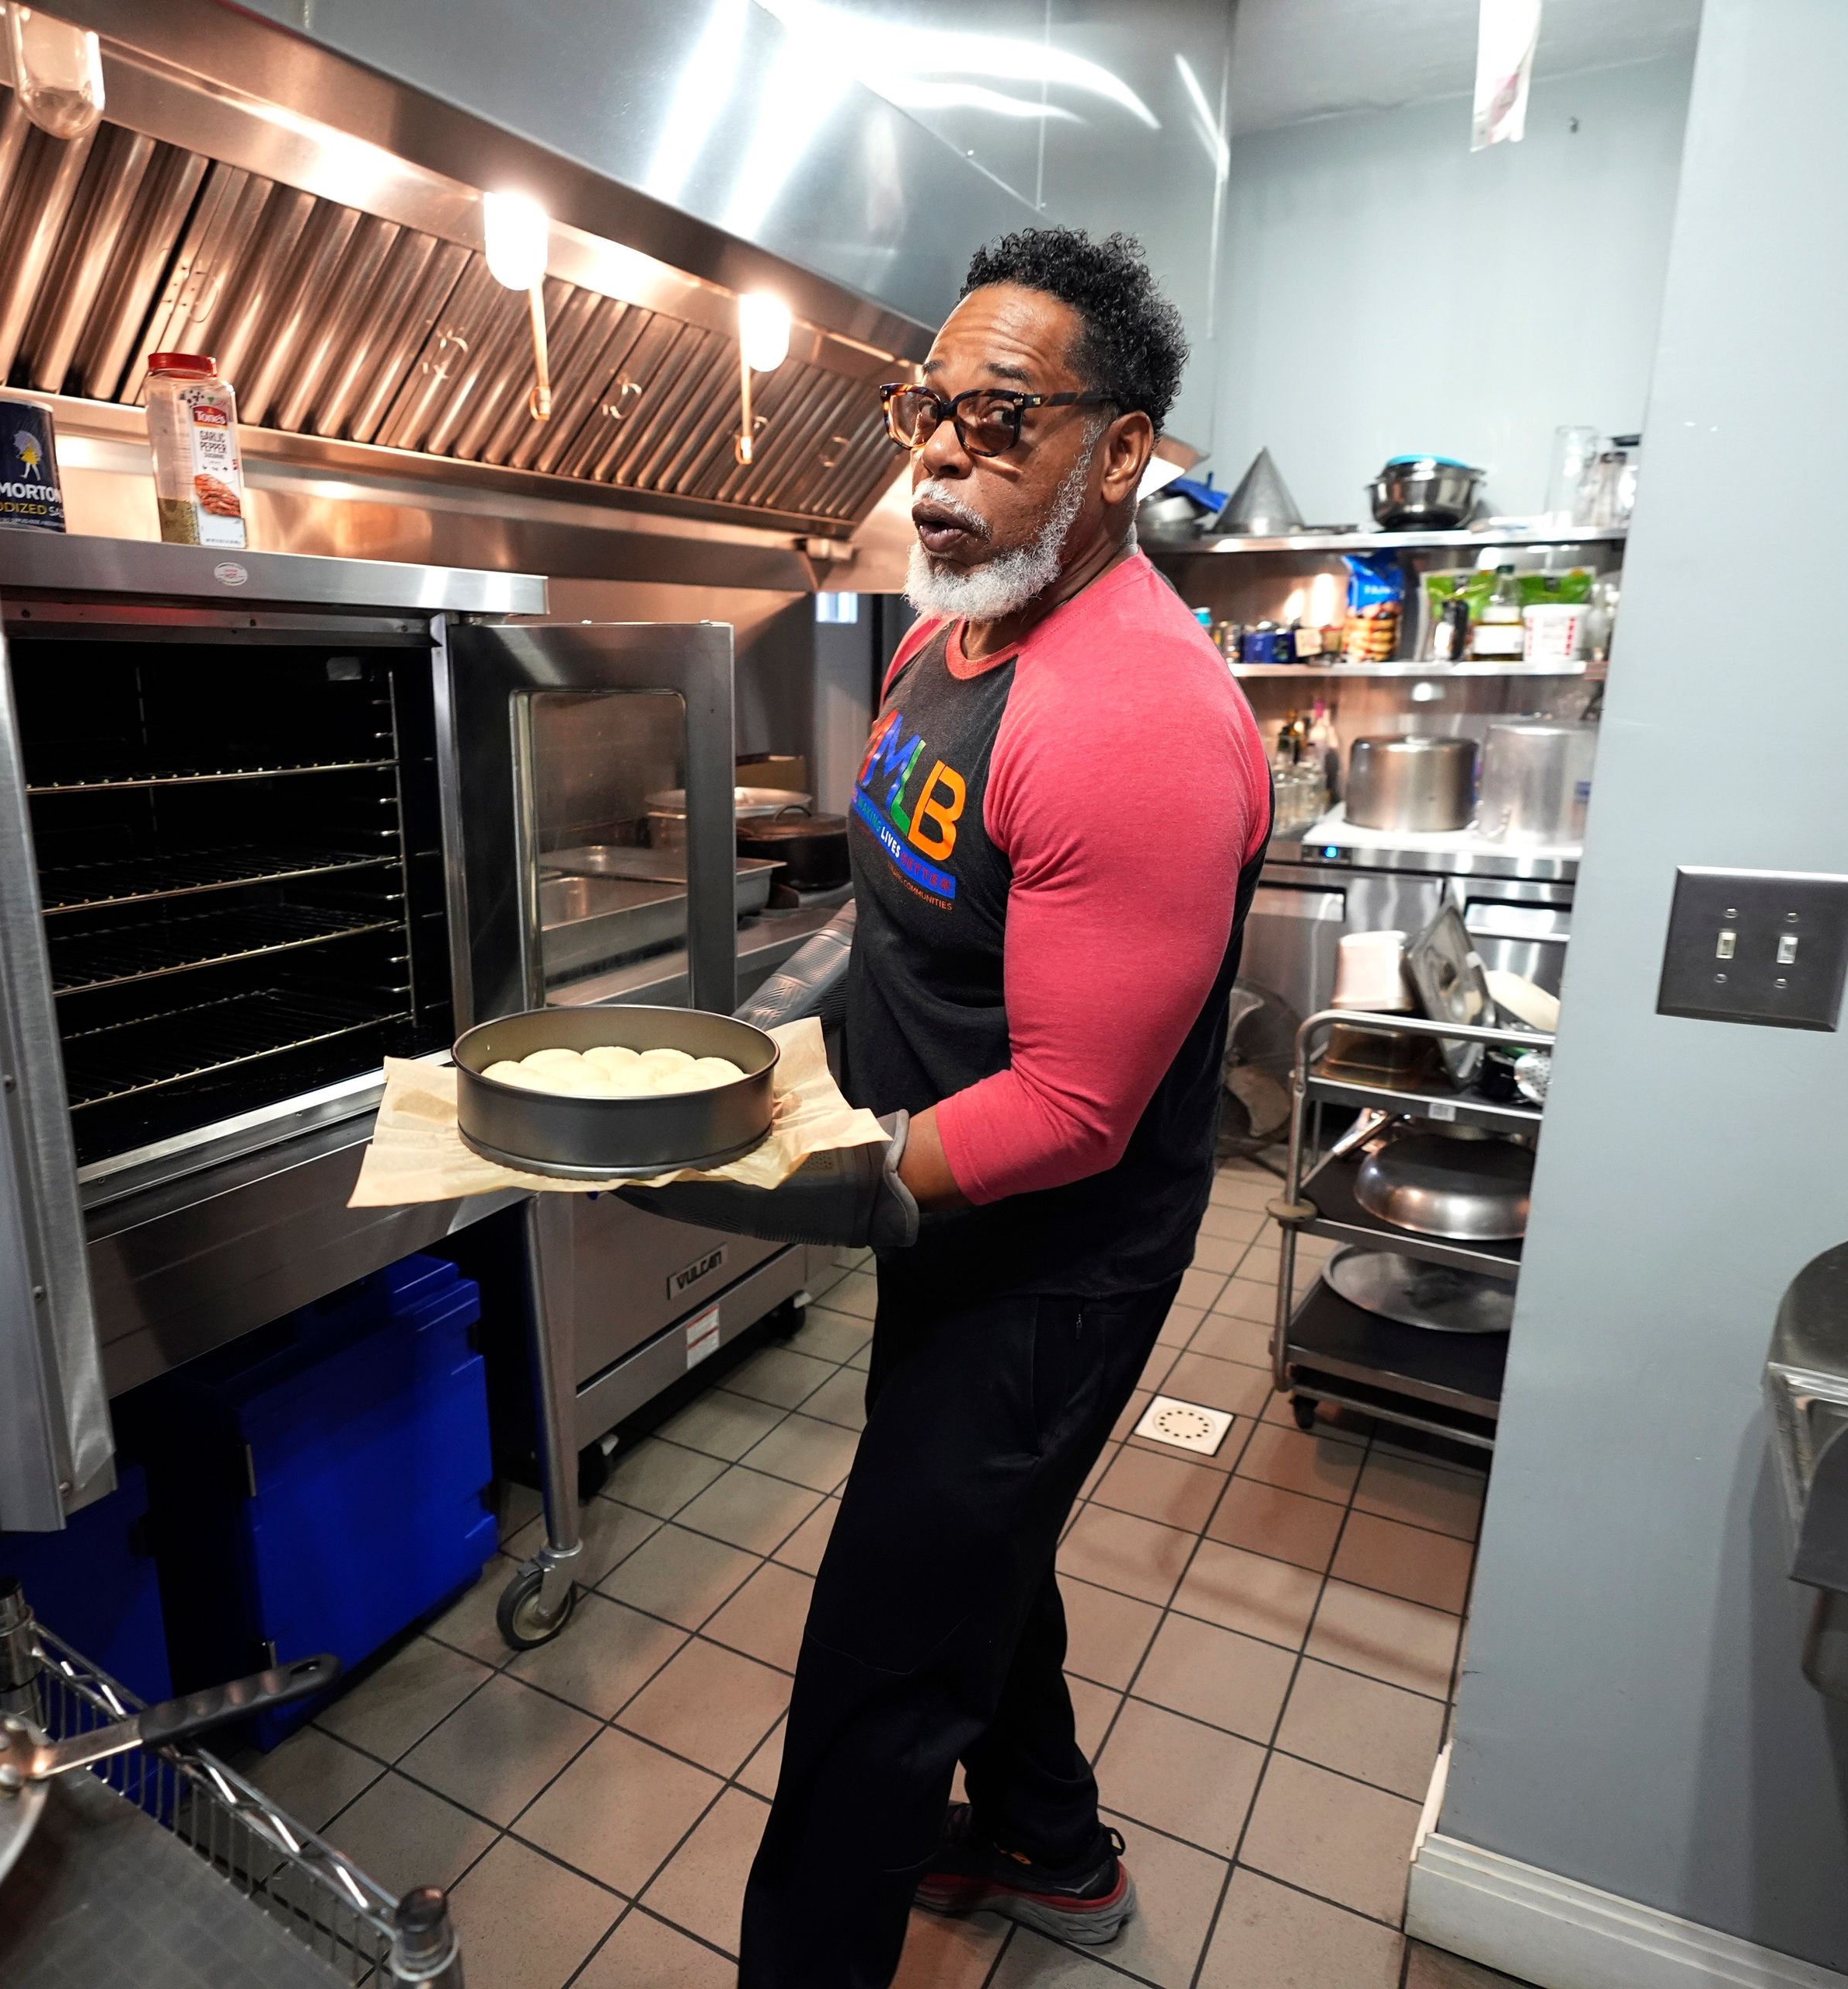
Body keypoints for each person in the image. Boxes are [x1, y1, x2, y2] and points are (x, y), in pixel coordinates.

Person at [629, 227, 1268, 1989]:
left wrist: (774, 1176)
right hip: (953, 1219)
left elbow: (1068, 1108)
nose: (934, 456)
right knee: (981, 1545)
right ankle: (1055, 1849)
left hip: (1053, 1264)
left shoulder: (1131, 714)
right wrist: (754, 1045)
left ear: (1120, 451)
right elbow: (890, 912)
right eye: (930, 409)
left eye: (999, 420)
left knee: (875, 1670)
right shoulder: (950, 646)